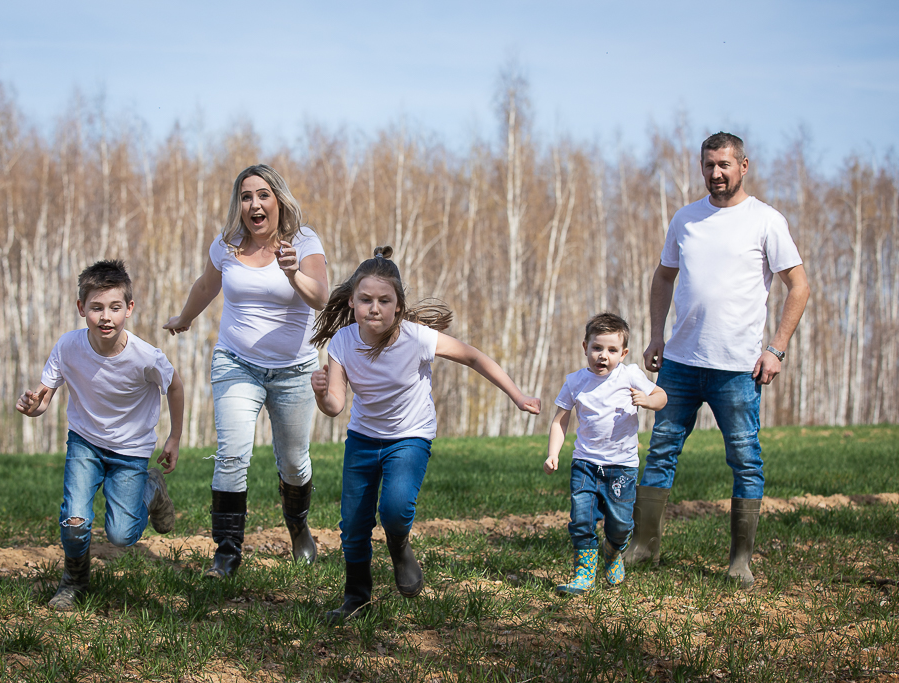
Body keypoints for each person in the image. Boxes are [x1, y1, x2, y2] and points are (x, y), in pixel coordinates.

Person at [310, 246, 542, 622]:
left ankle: (399, 545)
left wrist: (517, 395)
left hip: (410, 437)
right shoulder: (342, 343)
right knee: (353, 524)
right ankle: (356, 599)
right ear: (351, 302)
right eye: (366, 299)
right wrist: (322, 394)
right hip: (363, 439)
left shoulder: (417, 338)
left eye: (384, 300)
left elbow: (473, 356)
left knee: (395, 510)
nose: (374, 308)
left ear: (399, 306)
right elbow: (335, 406)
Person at [624, 132, 810, 587]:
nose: (716, 173)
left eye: (724, 164)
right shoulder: (686, 218)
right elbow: (663, 277)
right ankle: (644, 547)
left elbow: (799, 286)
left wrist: (776, 348)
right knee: (661, 451)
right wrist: (656, 336)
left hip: (738, 370)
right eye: (709, 165)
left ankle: (740, 561)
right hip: (681, 363)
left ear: (743, 166)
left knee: (745, 460)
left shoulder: (766, 221)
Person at [164, 164, 329, 578]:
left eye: (262, 195)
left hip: (294, 371)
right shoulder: (226, 245)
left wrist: (292, 272)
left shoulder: (303, 241)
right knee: (232, 455)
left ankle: (298, 526)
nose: (254, 204)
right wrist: (184, 318)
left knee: (294, 462)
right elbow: (206, 286)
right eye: (245, 196)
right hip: (236, 363)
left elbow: (321, 298)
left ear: (279, 201)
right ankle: (227, 553)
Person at [16, 259, 184, 610]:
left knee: (122, 535)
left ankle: (151, 488)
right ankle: (74, 582)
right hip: (85, 443)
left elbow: (175, 386)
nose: (106, 317)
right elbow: (44, 397)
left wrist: (174, 438)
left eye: (114, 307)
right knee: (74, 521)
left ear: (129, 308)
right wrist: (33, 407)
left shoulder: (145, 357)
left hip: (130, 451)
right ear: (81, 308)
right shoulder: (68, 347)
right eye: (96, 308)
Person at [543, 313, 667, 595]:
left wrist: (647, 401)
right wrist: (553, 453)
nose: (603, 356)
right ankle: (584, 573)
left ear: (623, 354)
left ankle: (613, 550)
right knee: (581, 519)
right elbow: (560, 420)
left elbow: (662, 396)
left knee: (621, 524)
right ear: (584, 347)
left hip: (622, 466)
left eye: (612, 350)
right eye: (597, 348)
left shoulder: (630, 375)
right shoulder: (575, 382)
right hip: (585, 463)